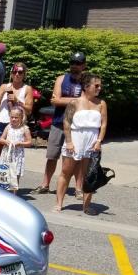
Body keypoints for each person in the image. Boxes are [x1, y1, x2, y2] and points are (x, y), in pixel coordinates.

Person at [33, 51, 87, 195]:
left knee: (76, 158)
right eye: (72, 63)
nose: (74, 66)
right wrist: (75, 101)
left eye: (78, 63)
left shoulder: (86, 81)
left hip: (77, 125)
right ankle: (45, 185)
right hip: (58, 122)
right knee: (52, 155)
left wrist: (64, 100)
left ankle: (78, 188)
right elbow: (55, 100)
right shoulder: (61, 79)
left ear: (84, 65)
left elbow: (85, 102)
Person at [56, 73, 107, 214]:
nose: (99, 88)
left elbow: (103, 124)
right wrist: (69, 142)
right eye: (96, 85)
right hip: (76, 137)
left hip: (92, 140)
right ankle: (59, 203)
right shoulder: (74, 103)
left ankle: (86, 205)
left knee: (88, 174)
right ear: (86, 86)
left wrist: (99, 141)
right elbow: (66, 123)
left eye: (100, 85)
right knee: (66, 171)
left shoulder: (101, 103)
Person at [0, 62, 33, 184]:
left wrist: (18, 101)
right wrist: (2, 94)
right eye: (14, 71)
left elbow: (29, 110)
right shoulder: (4, 86)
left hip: (16, 127)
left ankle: (10, 185)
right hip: (1, 124)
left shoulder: (27, 89)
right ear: (11, 73)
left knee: (13, 158)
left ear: (24, 74)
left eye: (20, 72)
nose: (17, 74)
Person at [0, 106, 33, 194]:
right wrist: (6, 141)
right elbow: (1, 139)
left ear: (21, 118)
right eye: (12, 117)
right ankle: (4, 193)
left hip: (17, 155)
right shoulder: (8, 127)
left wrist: (20, 143)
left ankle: (14, 195)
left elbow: (29, 142)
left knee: (15, 176)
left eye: (16, 117)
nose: (14, 119)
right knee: (5, 174)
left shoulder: (24, 129)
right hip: (7, 154)